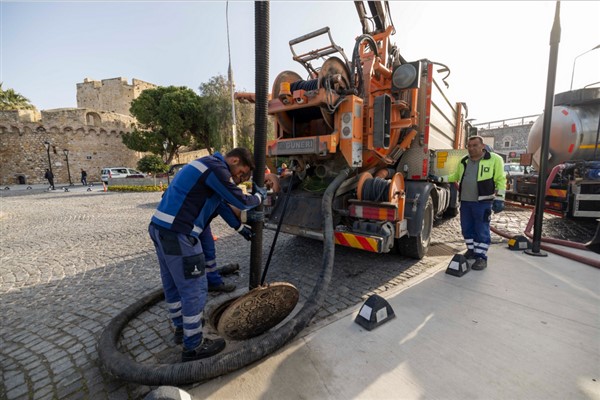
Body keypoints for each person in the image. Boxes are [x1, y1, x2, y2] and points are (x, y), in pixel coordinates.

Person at [148, 148, 266, 362]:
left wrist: (239, 229)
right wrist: (259, 196)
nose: (238, 178)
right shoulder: (216, 168)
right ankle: (193, 346)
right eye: (241, 172)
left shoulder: (205, 166)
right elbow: (241, 201)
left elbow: (220, 205)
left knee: (173, 284)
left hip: (160, 228)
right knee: (195, 287)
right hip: (179, 233)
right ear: (234, 159)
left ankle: (181, 330)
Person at [430, 136, 506, 270]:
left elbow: (500, 179)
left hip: (482, 202)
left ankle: (481, 257)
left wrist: (500, 198)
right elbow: (455, 176)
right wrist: (440, 178)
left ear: (482, 146)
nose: (471, 148)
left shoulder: (494, 159)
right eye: (469, 146)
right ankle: (471, 250)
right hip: (465, 202)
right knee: (467, 228)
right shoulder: (464, 161)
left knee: (481, 230)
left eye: (474, 145)